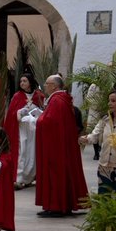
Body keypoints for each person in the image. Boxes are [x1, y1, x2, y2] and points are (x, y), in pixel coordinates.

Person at [35, 75, 90, 216]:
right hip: (59, 144)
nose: (45, 86)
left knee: (56, 173)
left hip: (56, 147)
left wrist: (37, 119)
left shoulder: (57, 101)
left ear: (54, 86)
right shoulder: (60, 99)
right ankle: (57, 205)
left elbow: (48, 122)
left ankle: (57, 206)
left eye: (47, 83)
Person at [5, 73, 45, 188]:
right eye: (21, 81)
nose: (22, 83)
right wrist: (19, 112)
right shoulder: (17, 96)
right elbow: (11, 114)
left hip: (34, 129)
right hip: (21, 129)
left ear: (30, 82)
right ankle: (19, 178)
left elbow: (44, 111)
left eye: (24, 81)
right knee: (22, 151)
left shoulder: (39, 96)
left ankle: (29, 177)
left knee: (32, 152)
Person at [85, 83, 103, 160]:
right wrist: (98, 106)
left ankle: (100, 149)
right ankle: (96, 153)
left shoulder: (110, 83)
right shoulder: (93, 86)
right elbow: (89, 98)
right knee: (94, 131)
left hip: (104, 112)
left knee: (103, 133)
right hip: (94, 112)